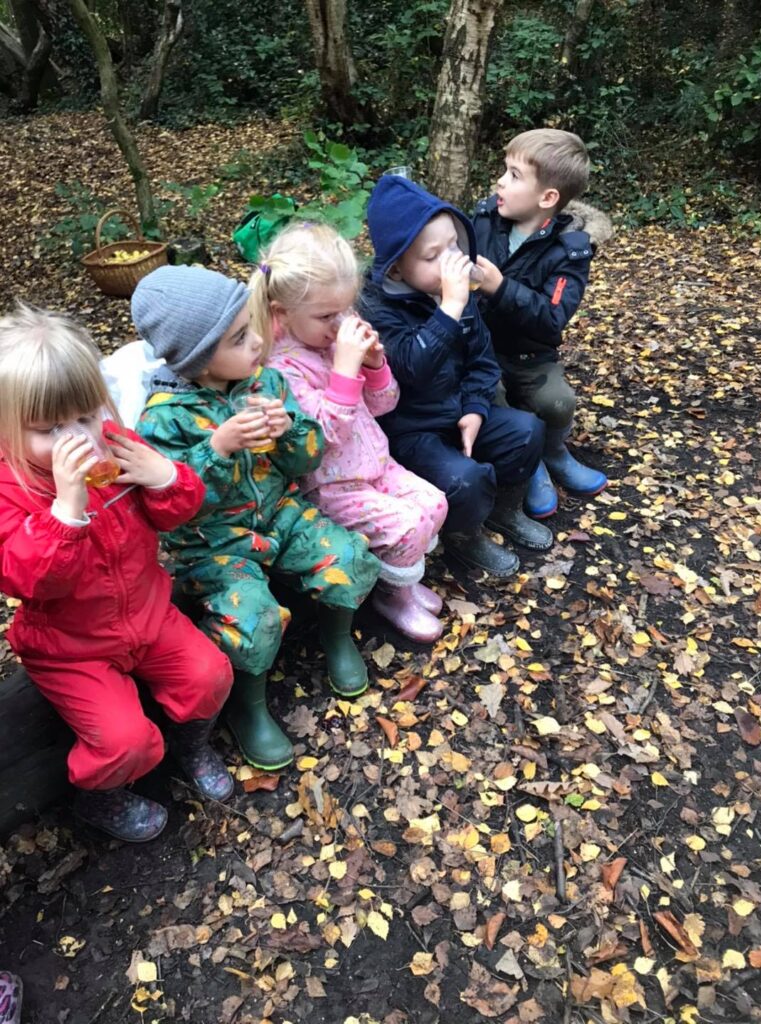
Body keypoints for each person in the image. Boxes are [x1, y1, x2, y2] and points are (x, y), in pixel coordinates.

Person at [0, 304, 234, 843]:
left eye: (85, 416)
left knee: (209, 675)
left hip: (147, 614)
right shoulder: (13, 488)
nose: (76, 437)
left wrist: (165, 477)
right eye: (49, 428)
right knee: (124, 740)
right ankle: (98, 799)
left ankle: (190, 745)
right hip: (69, 643)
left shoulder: (117, 443)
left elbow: (177, 512)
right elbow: (30, 581)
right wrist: (66, 510)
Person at [132, 266, 380, 773]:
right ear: (197, 357)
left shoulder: (265, 380)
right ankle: (249, 709)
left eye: (253, 329)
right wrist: (217, 449)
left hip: (277, 512)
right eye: (241, 337)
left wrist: (290, 430)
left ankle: (337, 638)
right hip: (211, 541)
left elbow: (306, 459)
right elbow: (171, 507)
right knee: (252, 617)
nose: (257, 343)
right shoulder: (163, 418)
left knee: (349, 553)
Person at [260, 222, 448, 643]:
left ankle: (401, 583)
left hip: (377, 465)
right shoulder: (280, 370)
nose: (340, 323)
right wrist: (344, 370)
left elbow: (385, 405)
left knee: (434, 504)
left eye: (346, 309)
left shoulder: (333, 340)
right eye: (327, 315)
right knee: (404, 526)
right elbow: (320, 439)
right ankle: (391, 597)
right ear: (280, 313)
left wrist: (375, 367)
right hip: (332, 487)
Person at [360, 175, 552, 577]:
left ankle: (504, 510)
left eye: (454, 246)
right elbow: (411, 369)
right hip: (411, 430)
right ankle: (465, 538)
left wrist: (477, 407)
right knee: (463, 479)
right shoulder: (378, 308)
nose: (452, 260)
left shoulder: (456, 295)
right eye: (435, 255)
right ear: (396, 267)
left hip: (457, 410)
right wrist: (448, 307)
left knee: (527, 430)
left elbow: (482, 360)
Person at [472, 128, 608, 519]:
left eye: (514, 175)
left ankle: (553, 451)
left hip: (531, 352)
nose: (500, 180)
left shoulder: (570, 248)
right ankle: (529, 462)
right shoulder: (484, 220)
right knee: (489, 392)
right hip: (482, 347)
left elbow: (552, 320)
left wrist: (499, 287)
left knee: (558, 402)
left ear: (547, 198)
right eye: (504, 169)